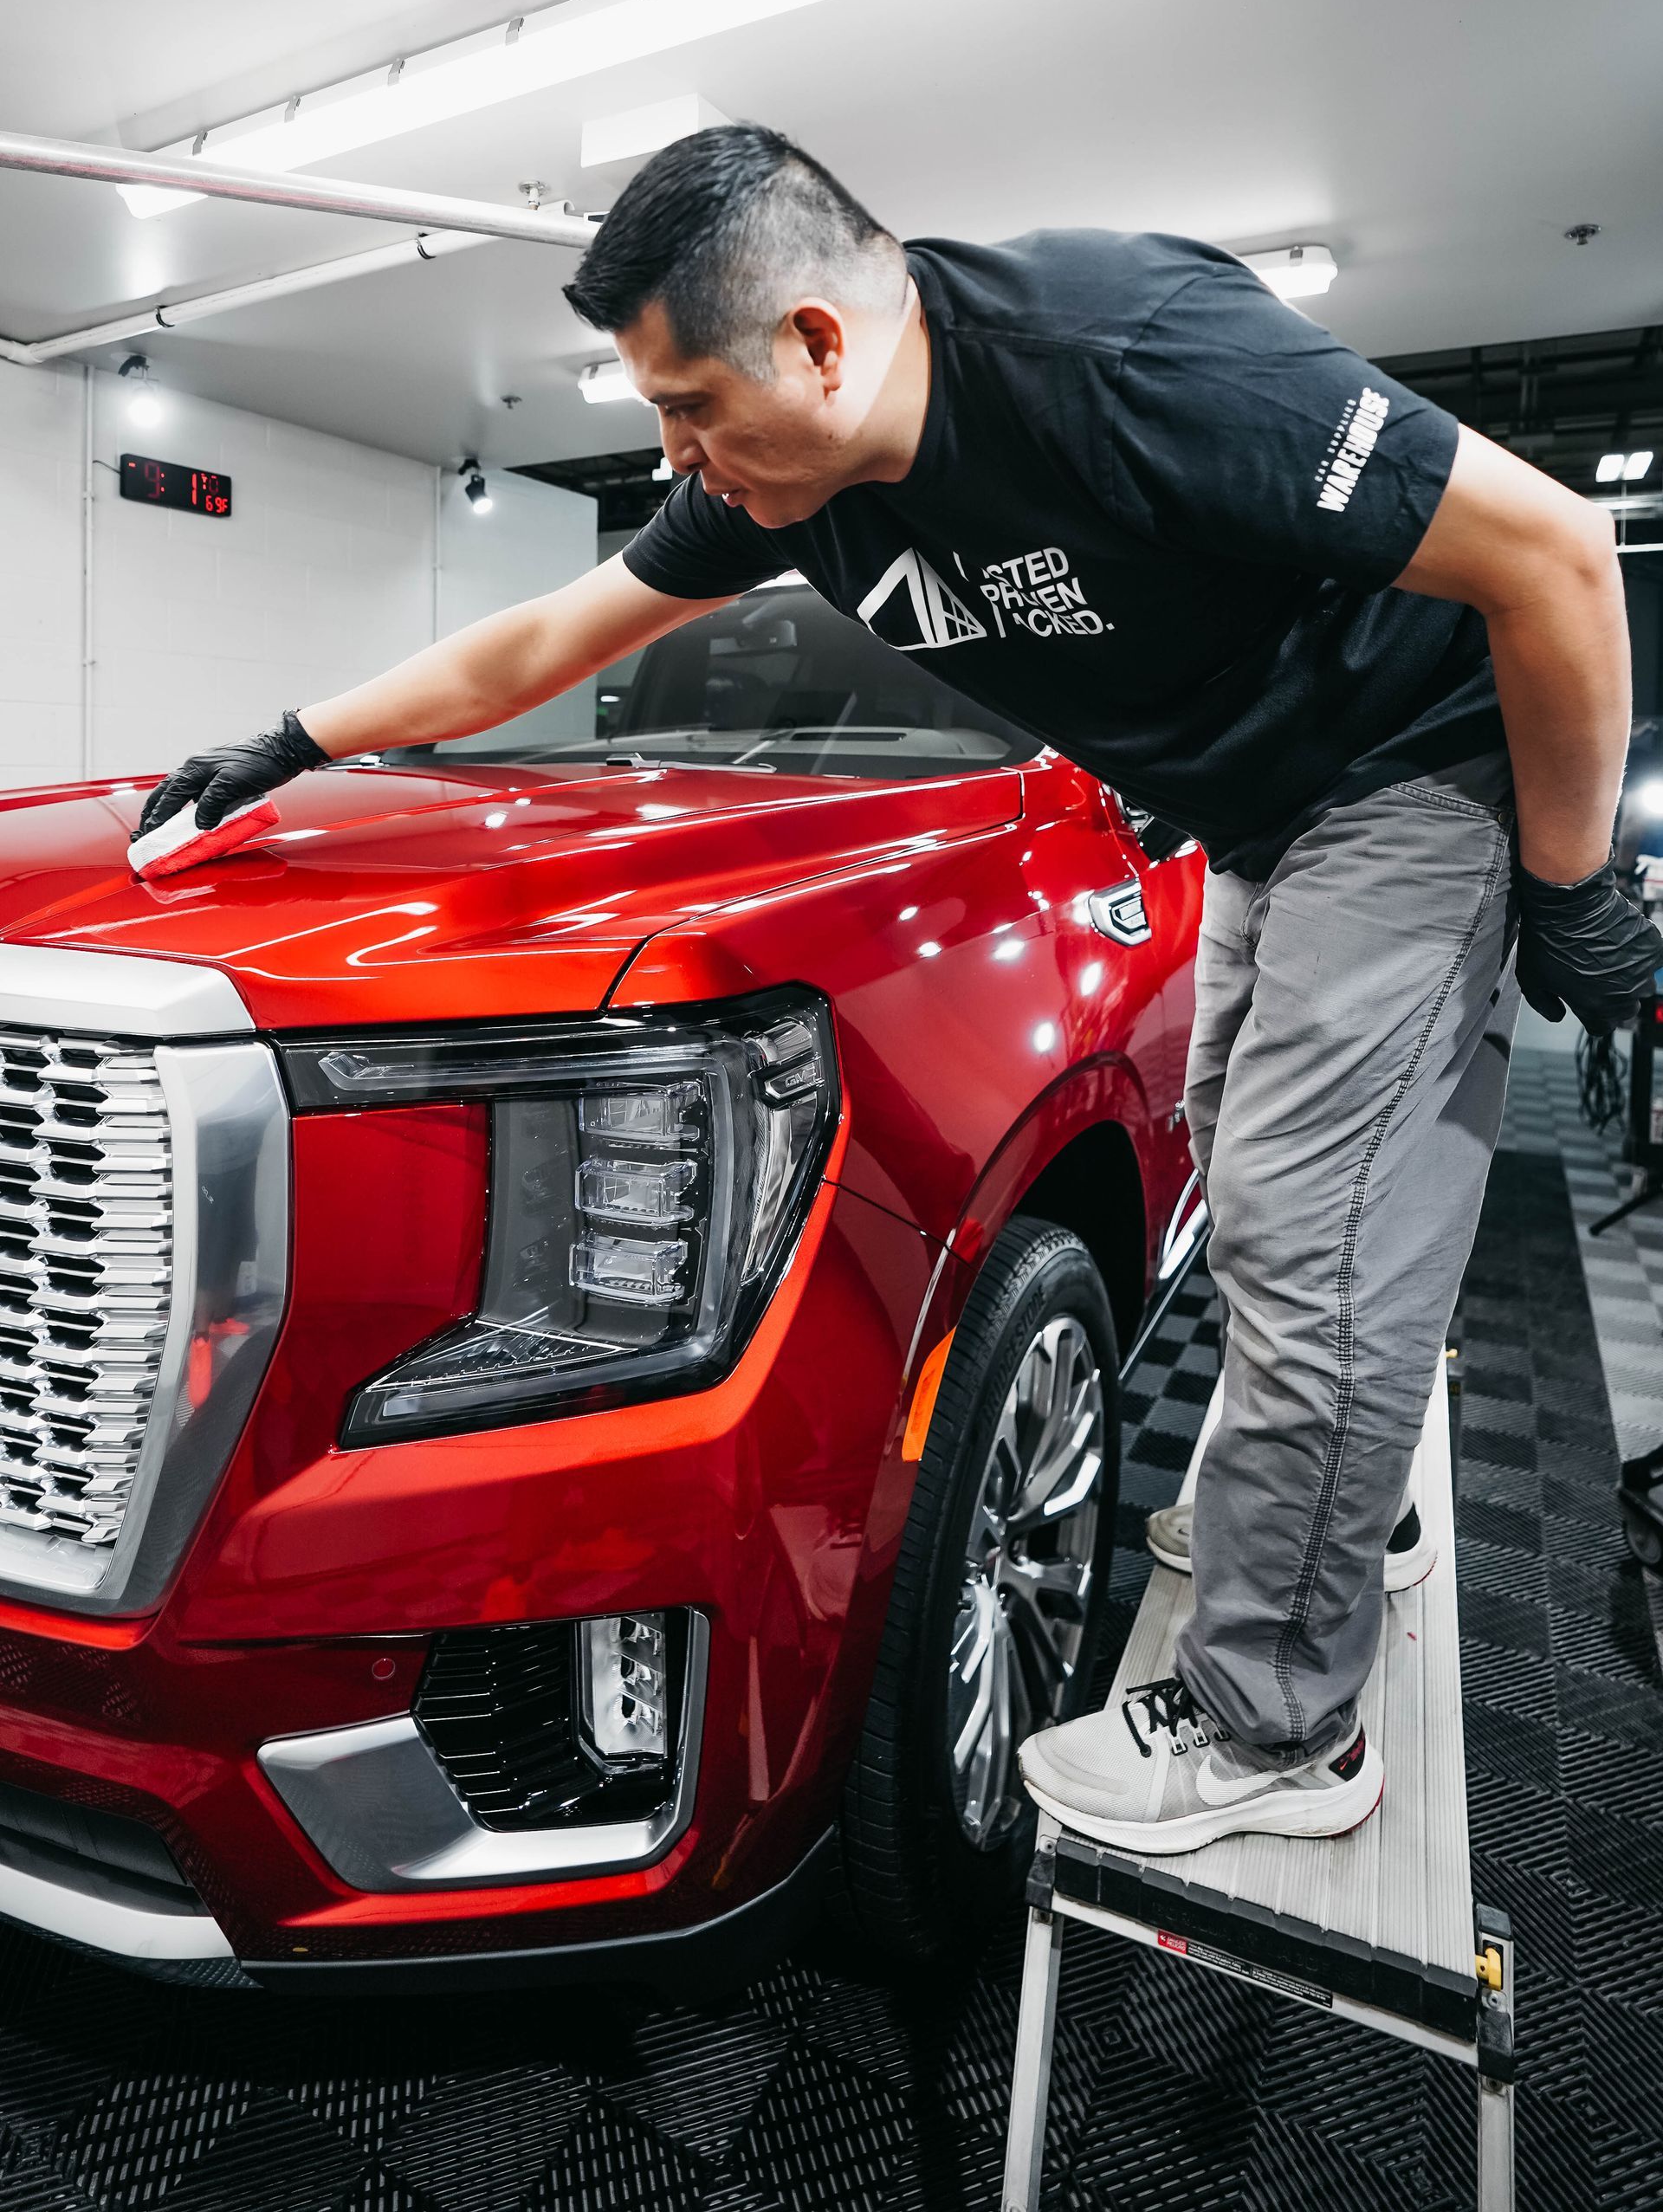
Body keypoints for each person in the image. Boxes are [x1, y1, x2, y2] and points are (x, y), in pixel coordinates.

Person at [137, 125, 1661, 1856]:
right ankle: (1331, 1500)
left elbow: (1556, 556)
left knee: (1319, 1229)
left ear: (818, 339)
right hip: (1259, 817)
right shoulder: (796, 479)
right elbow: (548, 640)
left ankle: (1277, 1728)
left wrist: (1572, 877)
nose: (676, 454)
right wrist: (297, 740)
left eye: (691, 404)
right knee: (1249, 1184)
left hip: (1412, 768)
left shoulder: (1123, 361)